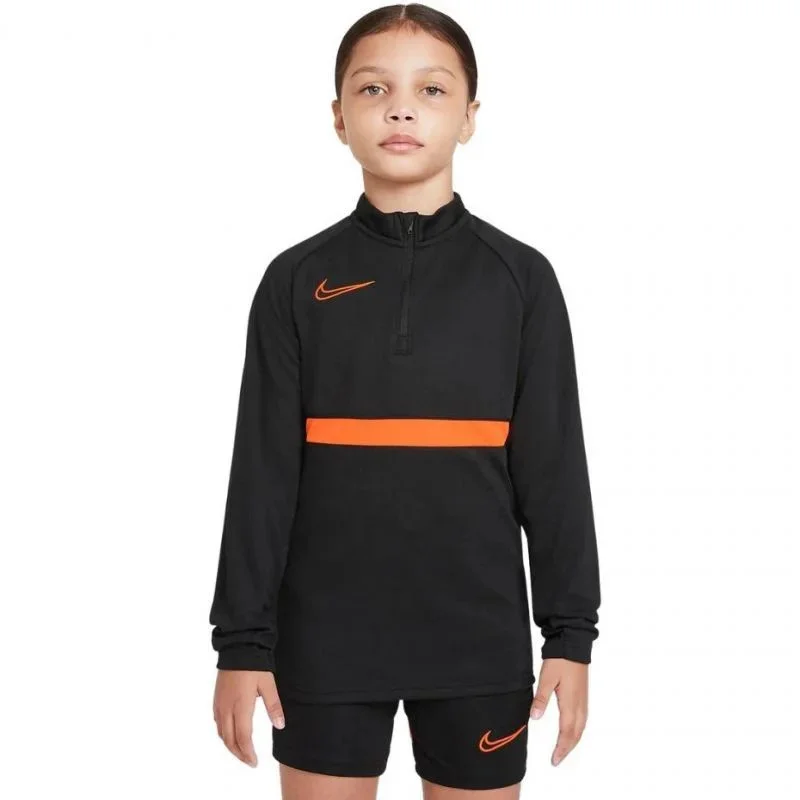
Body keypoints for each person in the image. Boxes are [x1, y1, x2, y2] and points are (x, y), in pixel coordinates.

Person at [209, 4, 601, 797]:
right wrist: (241, 643)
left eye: (431, 90)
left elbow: (555, 470)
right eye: (373, 89)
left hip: (478, 643)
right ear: (338, 117)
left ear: (469, 117)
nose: (400, 109)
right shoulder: (295, 280)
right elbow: (261, 474)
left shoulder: (522, 280)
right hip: (322, 643)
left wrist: (571, 635)